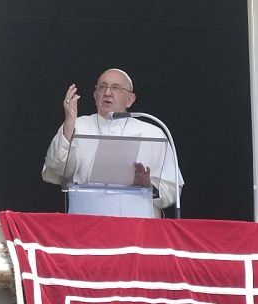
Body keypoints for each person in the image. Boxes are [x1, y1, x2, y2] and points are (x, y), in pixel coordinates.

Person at [42, 68, 183, 218]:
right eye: (102, 87)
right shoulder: (77, 126)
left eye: (115, 88)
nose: (107, 92)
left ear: (130, 99)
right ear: (95, 96)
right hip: (86, 227)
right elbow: (56, 168)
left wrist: (149, 187)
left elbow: (172, 189)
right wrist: (69, 121)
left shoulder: (153, 133)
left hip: (138, 230)